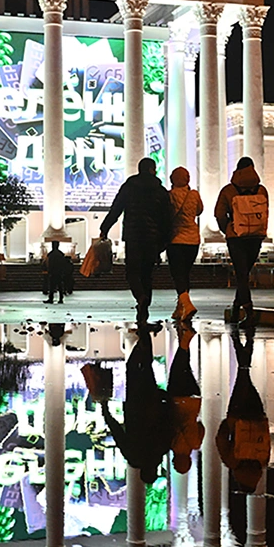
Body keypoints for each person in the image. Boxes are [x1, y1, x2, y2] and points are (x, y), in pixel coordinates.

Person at [100, 157, 173, 323]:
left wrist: (105, 228)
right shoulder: (160, 190)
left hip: (133, 237)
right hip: (152, 238)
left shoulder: (129, 187)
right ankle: (144, 307)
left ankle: (140, 297)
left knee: (132, 272)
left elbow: (116, 208)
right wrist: (165, 240)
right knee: (147, 274)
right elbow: (166, 218)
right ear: (152, 170)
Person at [101, 325, 173, 484]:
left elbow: (168, 423)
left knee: (146, 368)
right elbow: (118, 433)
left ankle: (144, 335)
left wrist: (165, 401)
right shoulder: (133, 455)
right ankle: (143, 334)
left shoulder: (161, 449)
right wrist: (105, 411)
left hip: (152, 403)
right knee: (133, 369)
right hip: (134, 405)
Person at [215, 324, 270, 494]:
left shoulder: (262, 463)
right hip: (237, 416)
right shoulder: (233, 463)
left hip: (257, 416)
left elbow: (267, 443)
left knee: (245, 378)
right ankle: (239, 341)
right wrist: (227, 423)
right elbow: (222, 439)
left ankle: (246, 343)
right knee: (242, 376)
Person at [215, 157, 270, 324]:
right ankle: (236, 306)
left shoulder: (229, 190)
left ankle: (248, 310)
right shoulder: (261, 190)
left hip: (236, 238)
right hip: (255, 236)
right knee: (244, 274)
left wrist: (228, 229)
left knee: (241, 274)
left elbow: (219, 214)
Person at [168, 321, 204, 474]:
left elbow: (201, 427)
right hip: (176, 399)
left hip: (193, 400)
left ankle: (183, 337)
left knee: (185, 365)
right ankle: (185, 338)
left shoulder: (195, 444)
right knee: (178, 366)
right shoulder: (170, 442)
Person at [167, 166, 204, 320]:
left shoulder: (169, 196)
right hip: (193, 240)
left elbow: (167, 214)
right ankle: (180, 309)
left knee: (177, 274)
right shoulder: (194, 194)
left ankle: (187, 305)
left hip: (175, 239)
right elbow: (199, 211)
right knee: (185, 274)